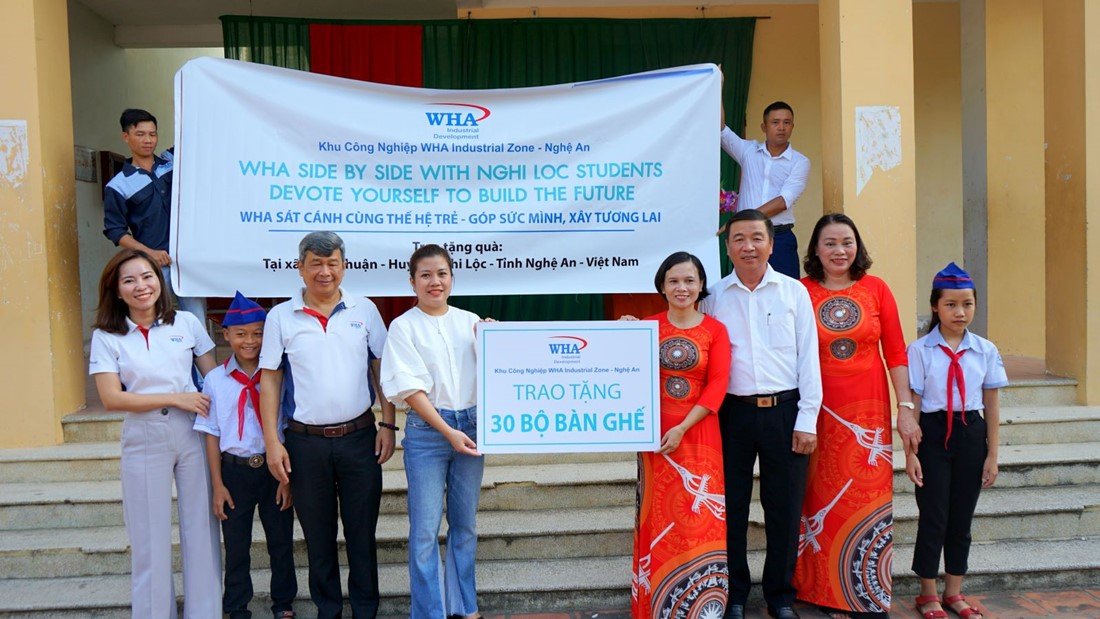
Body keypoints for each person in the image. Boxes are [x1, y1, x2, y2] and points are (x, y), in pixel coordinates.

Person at [258, 231, 397, 619]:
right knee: (317, 536)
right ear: (300, 268)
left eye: (332, 263)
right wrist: (272, 441)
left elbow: (381, 368)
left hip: (359, 439)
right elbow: (270, 380)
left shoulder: (364, 310)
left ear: (344, 266)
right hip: (305, 443)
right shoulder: (280, 317)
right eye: (316, 264)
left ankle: (366, 610)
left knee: (361, 533)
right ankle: (328, 610)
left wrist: (388, 424)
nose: (325, 271)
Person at [791, 214, 918, 618]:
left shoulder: (876, 288)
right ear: (815, 250)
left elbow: (895, 353)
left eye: (846, 242)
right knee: (820, 496)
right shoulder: (800, 292)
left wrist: (905, 408)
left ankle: (866, 591)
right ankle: (819, 589)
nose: (839, 251)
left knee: (864, 496)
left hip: (868, 413)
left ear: (857, 246)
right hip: (818, 411)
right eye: (829, 243)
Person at [700, 209, 822, 619]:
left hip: (785, 413)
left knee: (783, 508)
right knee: (730, 507)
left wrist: (807, 419)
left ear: (771, 244)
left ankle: (780, 596)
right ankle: (733, 594)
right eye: (739, 239)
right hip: (730, 415)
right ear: (728, 247)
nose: (748, 246)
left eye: (756, 238)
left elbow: (809, 360)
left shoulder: (794, 293)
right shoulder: (714, 297)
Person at [88, 248, 221, 618]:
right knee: (149, 538)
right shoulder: (107, 336)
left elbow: (214, 380)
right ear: (117, 290)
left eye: (147, 277)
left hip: (193, 432)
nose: (141, 286)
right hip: (144, 435)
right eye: (129, 280)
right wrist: (176, 397)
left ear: (159, 281)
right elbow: (112, 398)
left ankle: (205, 613)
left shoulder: (187, 324)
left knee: (202, 531)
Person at [380, 244, 486, 619]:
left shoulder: (471, 321)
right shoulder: (403, 326)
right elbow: (410, 390)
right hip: (428, 432)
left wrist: (495, 339)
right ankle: (430, 613)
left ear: (452, 278)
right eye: (425, 275)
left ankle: (465, 605)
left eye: (441, 274)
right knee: (425, 531)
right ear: (412, 282)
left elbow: (500, 371)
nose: (434, 282)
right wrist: (447, 431)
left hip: (471, 427)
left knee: (465, 525)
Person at [625, 252, 732, 618]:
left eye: (689, 280)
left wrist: (683, 427)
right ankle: (657, 604)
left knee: (697, 518)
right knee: (658, 516)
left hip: (699, 435)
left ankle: (699, 605)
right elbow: (621, 370)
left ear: (701, 285)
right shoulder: (647, 326)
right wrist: (622, 333)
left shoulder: (715, 330)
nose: (681, 287)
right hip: (653, 437)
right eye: (673, 281)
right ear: (662, 286)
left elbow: (718, 384)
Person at [904, 263, 1006, 619]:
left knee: (962, 517)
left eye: (967, 304)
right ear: (935, 306)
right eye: (950, 304)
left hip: (971, 432)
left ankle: (954, 591)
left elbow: (992, 403)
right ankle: (928, 593)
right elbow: (914, 403)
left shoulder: (985, 350)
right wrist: (910, 453)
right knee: (933, 515)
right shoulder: (919, 350)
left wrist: (992, 455)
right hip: (932, 434)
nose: (960, 312)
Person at [194, 291, 297, 619]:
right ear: (225, 335)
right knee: (236, 546)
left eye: (257, 333)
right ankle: (237, 607)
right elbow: (211, 434)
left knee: (281, 541)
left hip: (273, 469)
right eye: (241, 334)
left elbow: (287, 426)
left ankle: (284, 603)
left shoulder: (278, 376)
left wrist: (286, 479)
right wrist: (218, 485)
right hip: (234, 471)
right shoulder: (214, 380)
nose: (250, 341)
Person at [103, 108, 206, 323]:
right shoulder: (118, 185)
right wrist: (150, 253)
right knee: (157, 320)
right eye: (140, 134)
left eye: (152, 134)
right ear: (126, 137)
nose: (148, 140)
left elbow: (199, 137)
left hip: (187, 259)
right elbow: (116, 231)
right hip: (154, 264)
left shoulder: (172, 161)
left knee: (196, 319)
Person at [720, 101, 810, 279]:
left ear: (792, 126)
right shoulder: (748, 151)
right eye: (775, 122)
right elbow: (721, 129)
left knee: (785, 292)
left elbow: (783, 201)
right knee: (744, 289)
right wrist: (717, 87)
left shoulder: (800, 162)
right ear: (764, 127)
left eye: (787, 122)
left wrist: (742, 219)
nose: (781, 127)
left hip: (779, 238)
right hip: (746, 237)